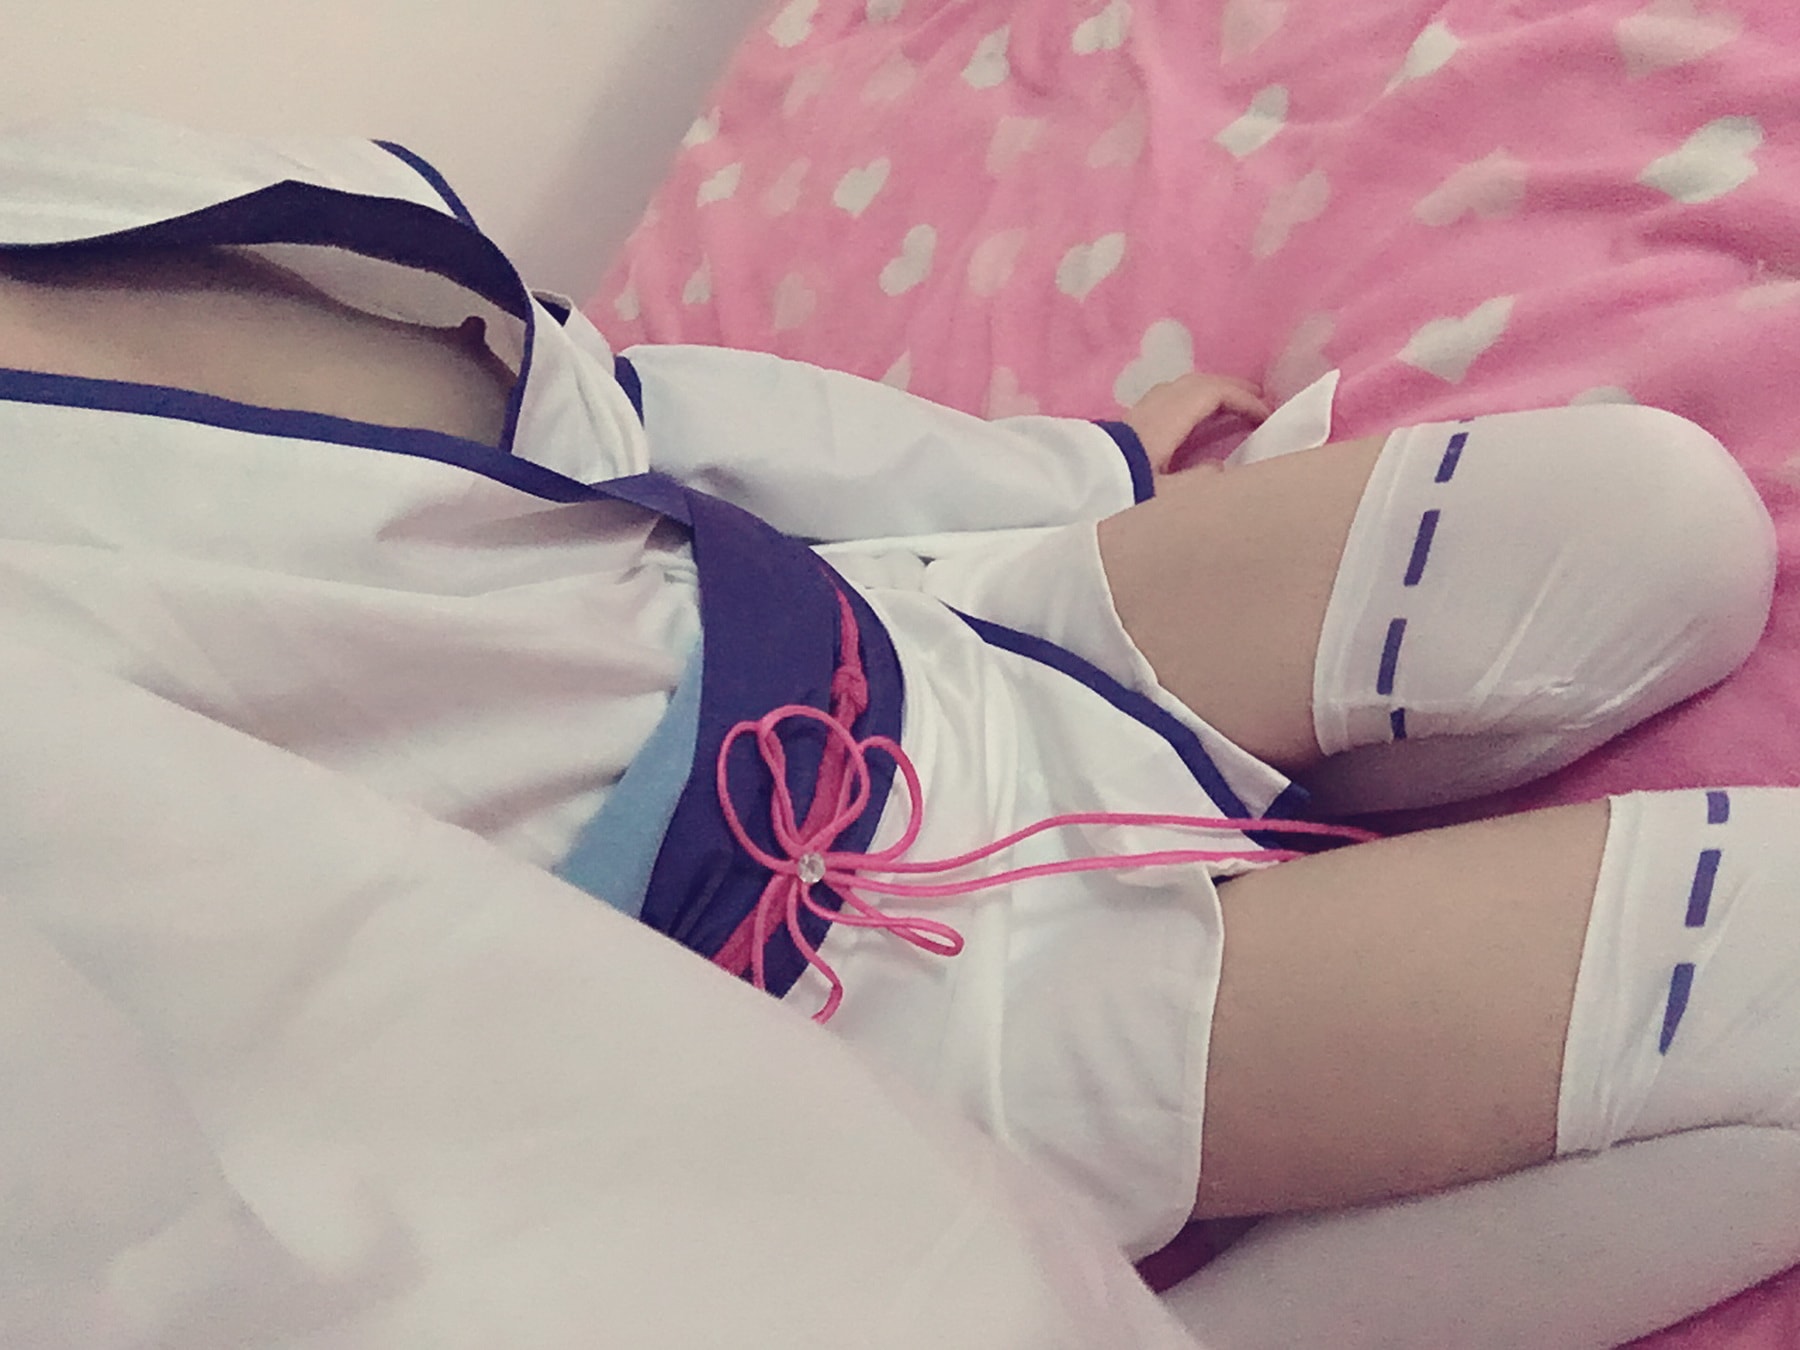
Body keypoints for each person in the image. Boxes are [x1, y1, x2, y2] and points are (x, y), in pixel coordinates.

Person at [0, 110, 1791, 1299]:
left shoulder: (65, 183)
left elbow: (600, 409)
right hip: (841, 1006)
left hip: (893, 627)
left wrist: (1063, 479)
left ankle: (1290, 874)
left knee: (1663, 530)